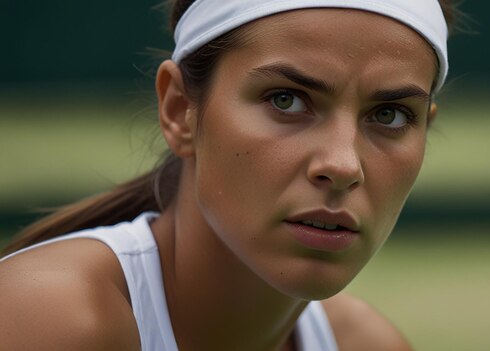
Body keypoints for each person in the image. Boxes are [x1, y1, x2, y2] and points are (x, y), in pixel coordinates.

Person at [0, 0, 457, 349]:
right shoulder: (48, 317)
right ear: (179, 110)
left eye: (392, 114)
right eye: (286, 99)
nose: (342, 165)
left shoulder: (367, 343)